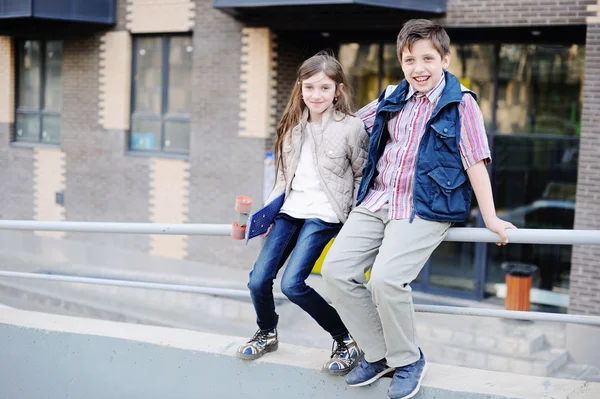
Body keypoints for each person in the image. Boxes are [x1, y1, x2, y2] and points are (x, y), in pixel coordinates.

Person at [321, 19, 516, 399]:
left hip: (424, 205)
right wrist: (313, 109)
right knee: (336, 271)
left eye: (428, 58)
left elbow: (476, 160)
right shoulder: (393, 95)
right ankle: (379, 355)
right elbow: (349, 126)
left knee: (386, 279)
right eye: (410, 60)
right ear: (401, 62)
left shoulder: (461, 104)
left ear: (445, 58)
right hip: (378, 199)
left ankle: (409, 359)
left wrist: (490, 216)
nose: (419, 68)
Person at [237, 51, 369, 376]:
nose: (316, 95)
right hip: (289, 212)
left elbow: (362, 176)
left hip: (325, 215)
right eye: (309, 87)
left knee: (292, 284)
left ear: (337, 90)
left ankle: (345, 339)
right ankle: (267, 332)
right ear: (300, 87)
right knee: (257, 281)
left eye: (324, 88)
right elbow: (283, 177)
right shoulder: (292, 128)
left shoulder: (351, 128)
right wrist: (267, 214)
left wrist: (355, 221)